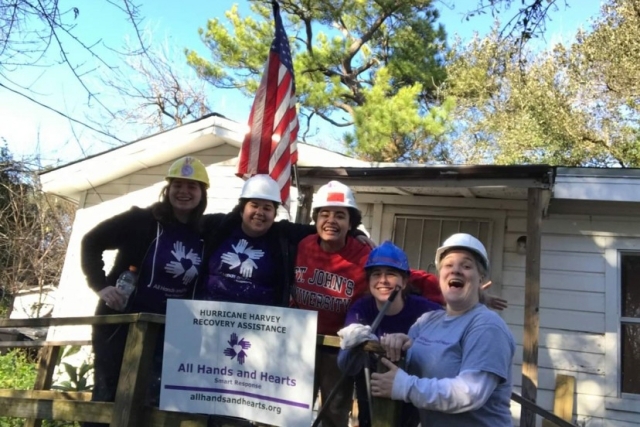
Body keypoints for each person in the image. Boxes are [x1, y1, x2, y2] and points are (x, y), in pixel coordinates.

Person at [80, 156, 209, 426]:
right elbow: (91, 241)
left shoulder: (204, 232)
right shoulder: (141, 220)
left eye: (192, 186)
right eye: (178, 185)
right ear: (168, 188)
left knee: (151, 403)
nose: (184, 192)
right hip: (121, 324)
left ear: (202, 194)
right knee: (109, 396)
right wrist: (100, 285)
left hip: (168, 332)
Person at [370, 233, 516, 427]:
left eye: (466, 266)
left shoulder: (487, 327)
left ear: (480, 278)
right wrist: (399, 343)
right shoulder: (427, 322)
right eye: (448, 265)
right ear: (439, 276)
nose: (455, 271)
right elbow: (407, 365)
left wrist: (405, 386)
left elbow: (471, 392)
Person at [337, 241, 443, 427]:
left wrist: (413, 343)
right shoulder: (361, 309)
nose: (383, 280)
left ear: (404, 281)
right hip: (370, 392)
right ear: (368, 280)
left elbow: (450, 329)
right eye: (376, 274)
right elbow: (344, 366)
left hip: (412, 396)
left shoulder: (424, 309)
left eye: (391, 274)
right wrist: (356, 344)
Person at [292, 180, 372, 427]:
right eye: (324, 214)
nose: (331, 221)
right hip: (299, 342)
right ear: (315, 218)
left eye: (340, 215)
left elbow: (403, 277)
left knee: (334, 413)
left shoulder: (365, 255)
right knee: (290, 409)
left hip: (338, 348)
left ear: (351, 222)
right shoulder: (303, 244)